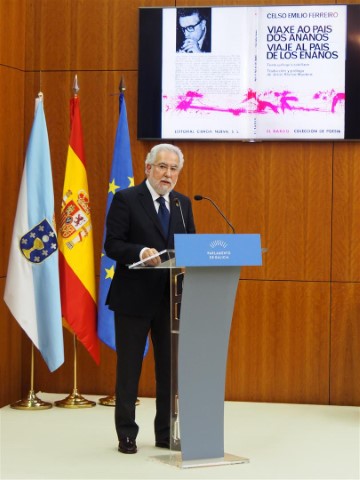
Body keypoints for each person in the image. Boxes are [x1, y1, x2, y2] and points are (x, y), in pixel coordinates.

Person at [104, 143, 196, 454]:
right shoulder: (126, 199)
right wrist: (140, 252)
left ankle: (166, 433)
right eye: (162, 167)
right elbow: (113, 244)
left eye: (173, 169)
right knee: (129, 369)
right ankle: (126, 434)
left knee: (169, 372)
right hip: (133, 298)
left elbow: (191, 246)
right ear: (148, 169)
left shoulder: (183, 204)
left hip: (170, 299)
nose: (167, 174)